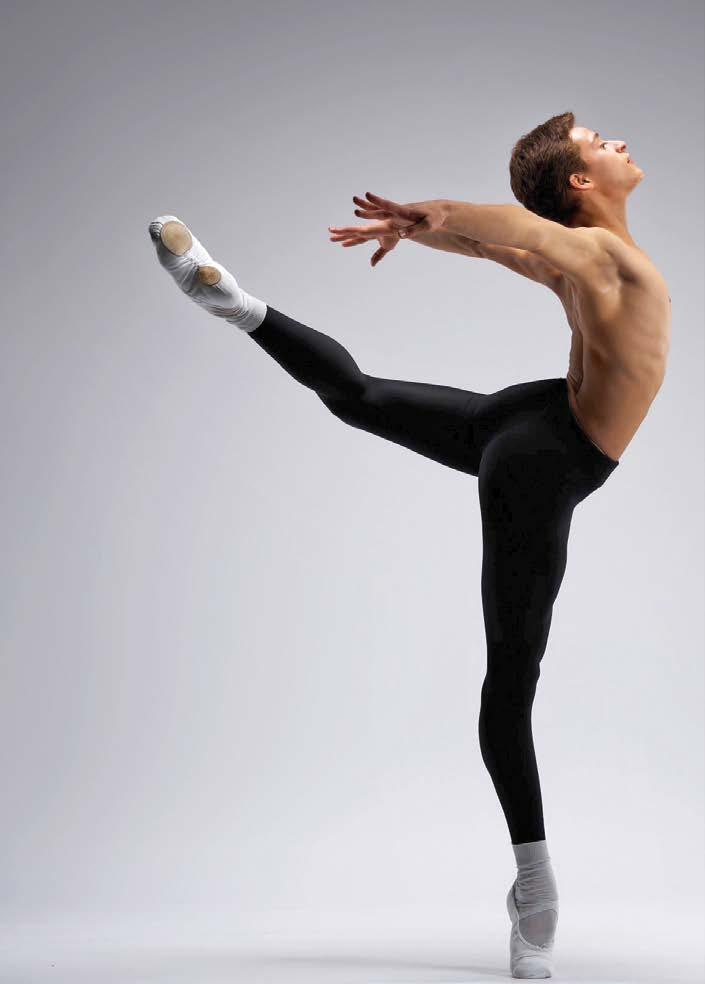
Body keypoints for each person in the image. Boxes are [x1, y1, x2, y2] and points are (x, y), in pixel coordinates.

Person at [147, 110, 670, 979]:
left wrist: (424, 230)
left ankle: (240, 307)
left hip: (524, 419)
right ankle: (534, 886)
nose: (615, 141)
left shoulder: (588, 261)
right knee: (511, 683)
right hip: (543, 461)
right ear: (581, 183)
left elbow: (509, 249)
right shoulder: (603, 257)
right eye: (596, 142)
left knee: (358, 395)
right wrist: (437, 213)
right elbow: (522, 232)